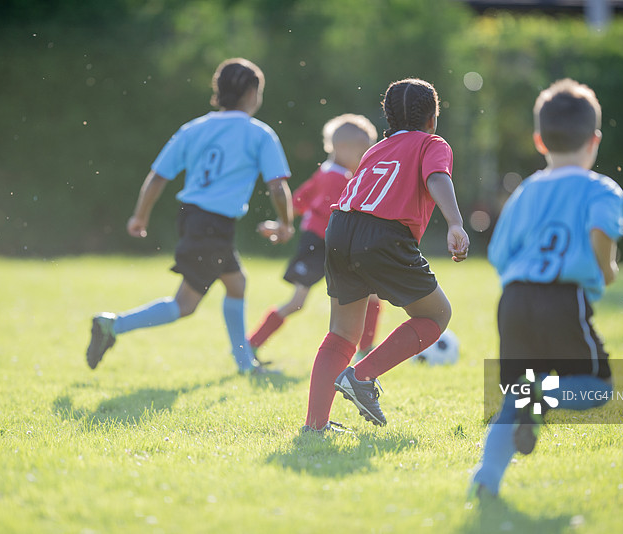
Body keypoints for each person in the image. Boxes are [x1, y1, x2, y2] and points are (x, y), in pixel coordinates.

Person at [469, 78, 623, 500]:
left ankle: (486, 478)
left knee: (515, 396)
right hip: (562, 298)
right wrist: (606, 269)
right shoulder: (601, 188)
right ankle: (540, 396)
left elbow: (499, 253)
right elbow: (602, 231)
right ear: (594, 141)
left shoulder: (525, 191)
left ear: (539, 141)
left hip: (514, 300)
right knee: (597, 387)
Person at [86, 58, 294, 374]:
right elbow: (277, 187)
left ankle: (244, 363)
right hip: (213, 224)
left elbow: (158, 177)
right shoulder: (259, 134)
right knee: (184, 305)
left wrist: (139, 216)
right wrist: (286, 224)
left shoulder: (194, 128)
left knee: (237, 284)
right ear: (252, 93)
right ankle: (112, 325)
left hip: (194, 218)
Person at [301, 78, 470, 433]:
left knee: (341, 333)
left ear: (388, 119)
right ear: (432, 119)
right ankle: (361, 376)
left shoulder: (377, 148)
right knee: (437, 314)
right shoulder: (432, 143)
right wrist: (455, 223)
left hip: (339, 227)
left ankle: (315, 426)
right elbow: (437, 177)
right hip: (384, 234)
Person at [249, 114, 382, 364]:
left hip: (336, 245)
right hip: (318, 244)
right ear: (342, 148)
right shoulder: (336, 178)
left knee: (372, 294)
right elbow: (350, 212)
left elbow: (298, 200)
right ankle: (250, 344)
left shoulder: (326, 172)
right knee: (297, 302)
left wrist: (281, 224)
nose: (366, 159)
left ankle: (366, 350)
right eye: (362, 153)